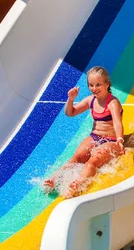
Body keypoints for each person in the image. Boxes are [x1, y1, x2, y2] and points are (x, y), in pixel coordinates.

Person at [44, 66, 124, 197]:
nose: (94, 88)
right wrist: (71, 99)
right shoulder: (91, 100)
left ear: (107, 84)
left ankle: (78, 183)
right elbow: (70, 112)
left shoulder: (113, 102)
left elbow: (117, 122)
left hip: (111, 140)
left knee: (92, 162)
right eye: (91, 85)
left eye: (98, 84)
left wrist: (120, 139)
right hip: (95, 136)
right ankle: (54, 179)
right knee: (77, 157)